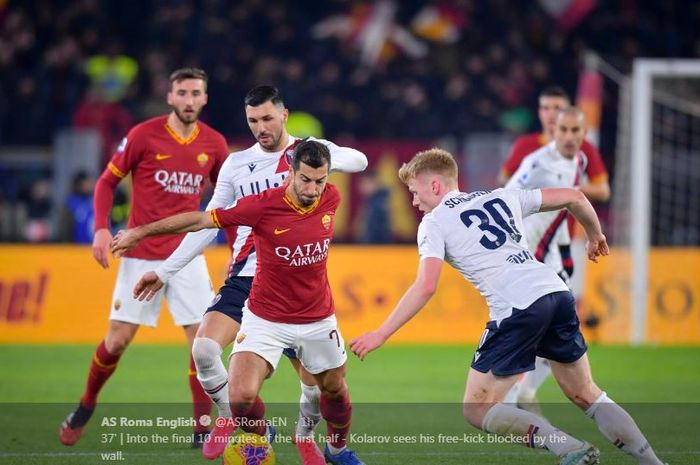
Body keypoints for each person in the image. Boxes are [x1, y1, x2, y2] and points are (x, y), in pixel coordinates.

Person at [350, 148, 667, 465]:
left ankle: (567, 448)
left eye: (416, 193)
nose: (415, 203)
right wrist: (595, 234)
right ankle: (653, 462)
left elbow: (426, 285)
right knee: (587, 394)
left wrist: (381, 333)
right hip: (556, 292)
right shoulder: (503, 196)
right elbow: (574, 196)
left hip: (518, 307)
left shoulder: (434, 223)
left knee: (476, 408)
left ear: (435, 186)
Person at [129, 85, 367, 461]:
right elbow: (207, 223)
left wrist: (316, 149)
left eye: (268, 118)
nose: (261, 127)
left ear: (284, 115)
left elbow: (360, 163)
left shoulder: (308, 163)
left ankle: (306, 435)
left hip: (297, 283)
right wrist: (165, 271)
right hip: (245, 278)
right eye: (253, 121)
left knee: (318, 384)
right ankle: (235, 418)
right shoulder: (237, 166)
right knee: (205, 350)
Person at [59, 68, 230, 448]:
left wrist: (238, 245)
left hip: (187, 256)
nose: (188, 100)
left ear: (205, 99)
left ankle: (201, 429)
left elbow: (228, 199)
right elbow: (106, 181)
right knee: (117, 342)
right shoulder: (143, 135)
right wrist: (101, 228)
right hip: (140, 255)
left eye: (195, 93)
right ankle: (86, 405)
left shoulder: (215, 145)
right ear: (170, 97)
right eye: (182, 93)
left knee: (201, 346)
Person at [499, 87, 611, 410]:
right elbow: (506, 193)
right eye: (546, 109)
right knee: (531, 325)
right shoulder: (531, 155)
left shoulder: (582, 155)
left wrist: (580, 227)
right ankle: (509, 396)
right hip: (528, 252)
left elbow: (601, 190)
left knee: (558, 324)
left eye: (558, 110)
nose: (551, 116)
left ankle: (523, 393)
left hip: (558, 248)